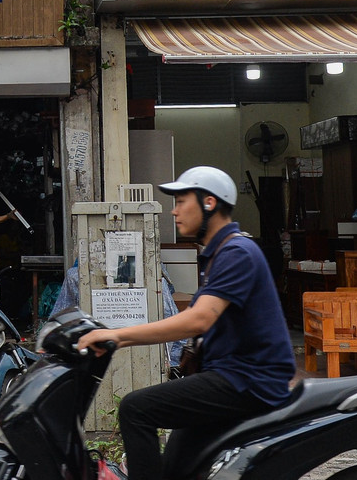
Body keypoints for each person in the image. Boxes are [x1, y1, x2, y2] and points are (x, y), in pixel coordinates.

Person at [75, 167, 295, 480]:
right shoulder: (218, 253)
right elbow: (192, 318)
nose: (174, 211)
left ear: (209, 202)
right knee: (176, 465)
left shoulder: (237, 252)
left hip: (249, 380)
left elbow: (199, 319)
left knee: (136, 409)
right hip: (230, 376)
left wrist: (117, 336)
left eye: (181, 202)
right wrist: (115, 338)